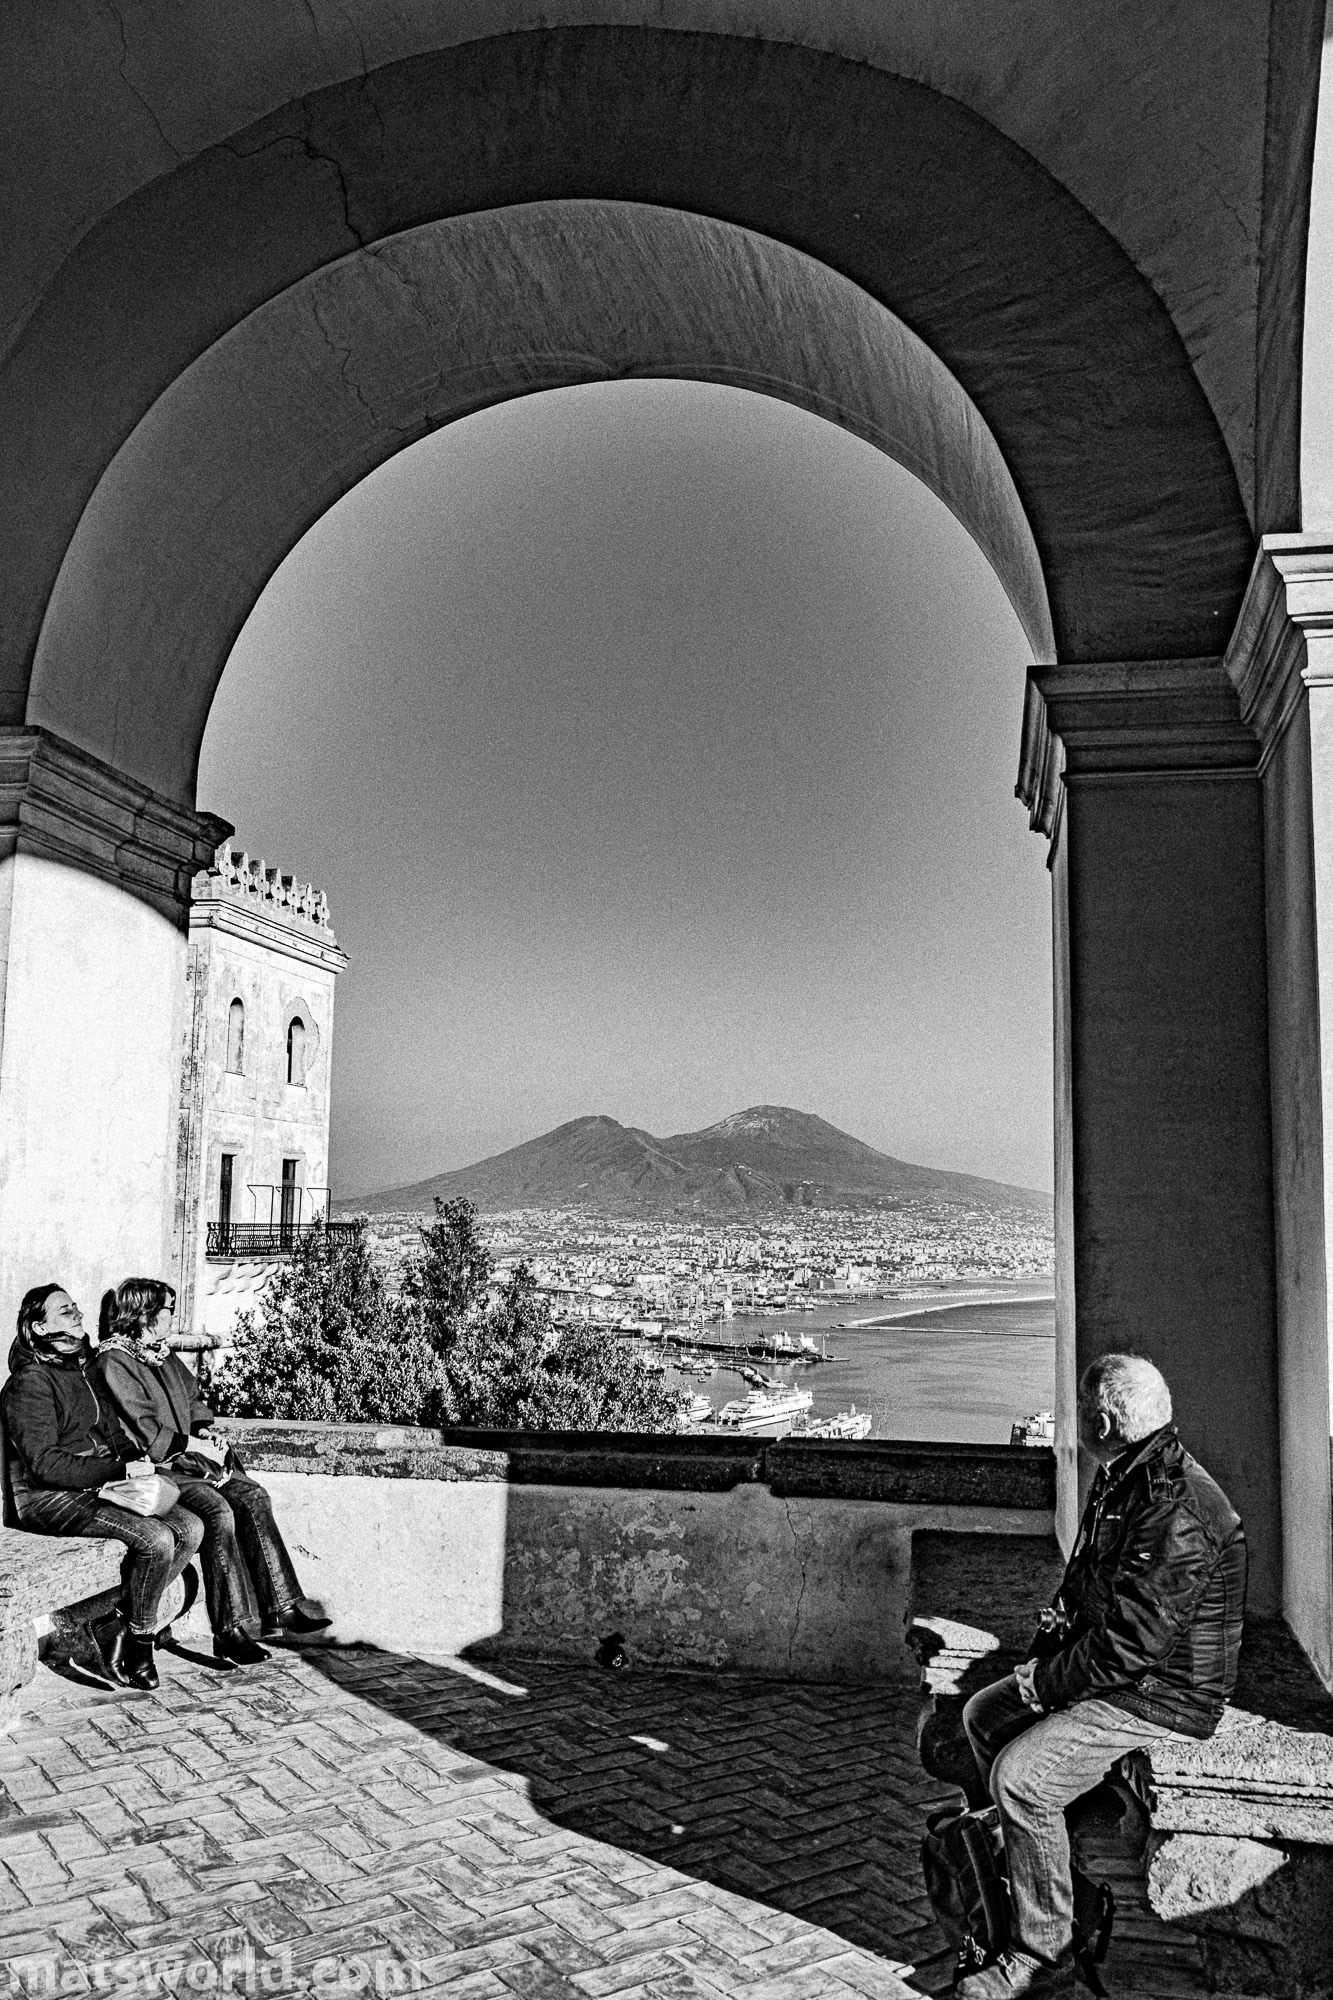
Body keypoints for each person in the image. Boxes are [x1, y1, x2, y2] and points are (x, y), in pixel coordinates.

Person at [957, 1353, 1247, 1998]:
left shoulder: (1175, 1505)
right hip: (1120, 1674)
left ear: (1106, 1420)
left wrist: (1044, 1683)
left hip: (1160, 1693)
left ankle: (1043, 1952)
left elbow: (1134, 1646)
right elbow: (1096, 1590)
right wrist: (1053, 1638)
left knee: (1023, 1779)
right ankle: (1028, 1875)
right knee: (983, 1714)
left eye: (1080, 1411)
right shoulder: (1128, 1475)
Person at [97, 1277, 330, 1666]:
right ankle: (229, 1629)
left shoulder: (161, 1355)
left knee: (253, 1496)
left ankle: (281, 1605)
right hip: (159, 1469)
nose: (173, 1317)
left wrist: (205, 1429)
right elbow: (145, 1430)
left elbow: (194, 1401)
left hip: (191, 1461)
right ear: (144, 1316)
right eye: (168, 1310)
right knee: (219, 1511)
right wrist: (193, 1445)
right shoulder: (114, 1362)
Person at [0, 1284, 204, 1692]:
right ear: (38, 1327)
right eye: (63, 1312)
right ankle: (140, 1640)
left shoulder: (84, 1369)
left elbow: (114, 1436)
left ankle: (117, 1624)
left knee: (191, 1527)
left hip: (97, 1488)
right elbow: (44, 1464)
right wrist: (115, 1471)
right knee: (157, 1538)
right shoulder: (30, 1383)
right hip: (48, 1498)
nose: (76, 1314)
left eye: (75, 1306)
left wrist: (138, 1465)